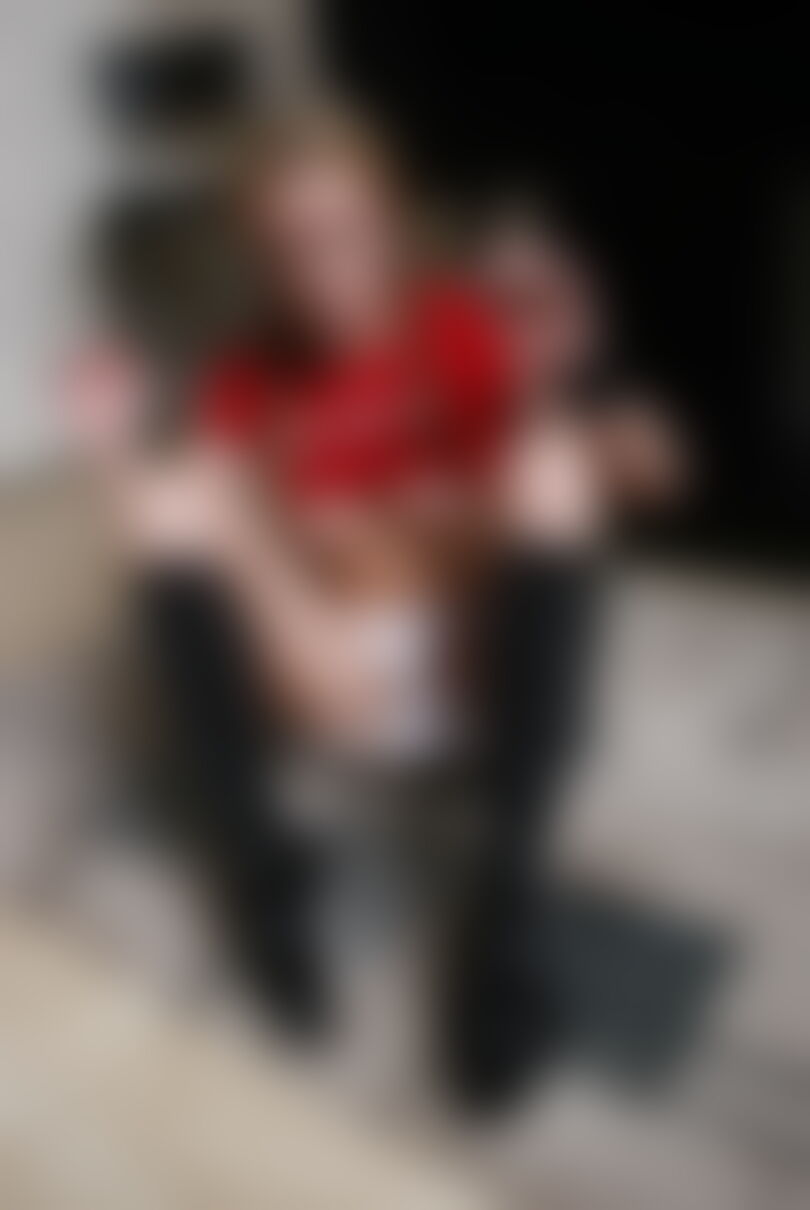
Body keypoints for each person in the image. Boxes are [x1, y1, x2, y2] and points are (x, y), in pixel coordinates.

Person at [68, 113, 681, 1109]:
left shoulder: (459, 321)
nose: (322, 275)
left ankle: (506, 908)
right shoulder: (242, 377)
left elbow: (652, 468)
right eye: (289, 250)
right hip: (341, 681)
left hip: (484, 677)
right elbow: (208, 541)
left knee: (550, 470)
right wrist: (114, 454)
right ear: (259, 257)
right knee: (177, 495)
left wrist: (569, 386)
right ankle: (262, 874)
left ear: (390, 223)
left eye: (345, 235)